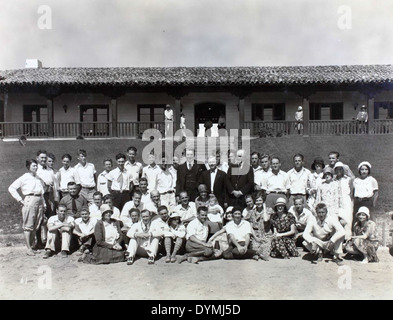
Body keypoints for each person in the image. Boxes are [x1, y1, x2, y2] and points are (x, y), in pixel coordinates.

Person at [8, 159, 45, 255]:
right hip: (30, 200)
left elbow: (41, 192)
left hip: (39, 200)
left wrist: (43, 204)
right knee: (28, 226)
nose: (35, 167)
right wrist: (20, 200)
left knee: (36, 225)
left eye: (36, 166)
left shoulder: (37, 177)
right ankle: (28, 248)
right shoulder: (24, 177)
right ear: (28, 167)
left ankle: (32, 246)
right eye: (33, 166)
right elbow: (11, 188)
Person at [247, 193, 271, 260]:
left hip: (266, 234)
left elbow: (266, 219)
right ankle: (257, 254)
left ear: (263, 201)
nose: (258, 202)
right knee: (255, 246)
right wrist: (255, 237)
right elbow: (250, 227)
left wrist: (264, 207)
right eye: (257, 201)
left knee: (265, 246)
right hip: (256, 235)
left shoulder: (268, 210)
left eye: (260, 200)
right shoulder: (251, 212)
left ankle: (261, 254)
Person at [334, 162, 354, 232]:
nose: (338, 171)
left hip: (346, 202)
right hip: (336, 203)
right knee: (337, 220)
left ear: (343, 170)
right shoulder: (333, 180)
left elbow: (352, 191)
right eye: (337, 169)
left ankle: (347, 237)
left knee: (347, 219)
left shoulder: (348, 179)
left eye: (340, 169)